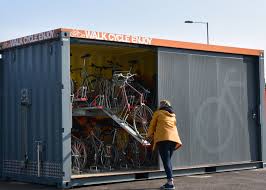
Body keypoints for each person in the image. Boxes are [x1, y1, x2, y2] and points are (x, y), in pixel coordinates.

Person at [147, 100, 182, 190]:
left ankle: (170, 183)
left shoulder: (158, 113)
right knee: (168, 161)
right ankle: (169, 182)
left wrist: (148, 136)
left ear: (162, 106)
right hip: (173, 140)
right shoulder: (173, 115)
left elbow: (152, 125)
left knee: (166, 161)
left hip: (164, 139)